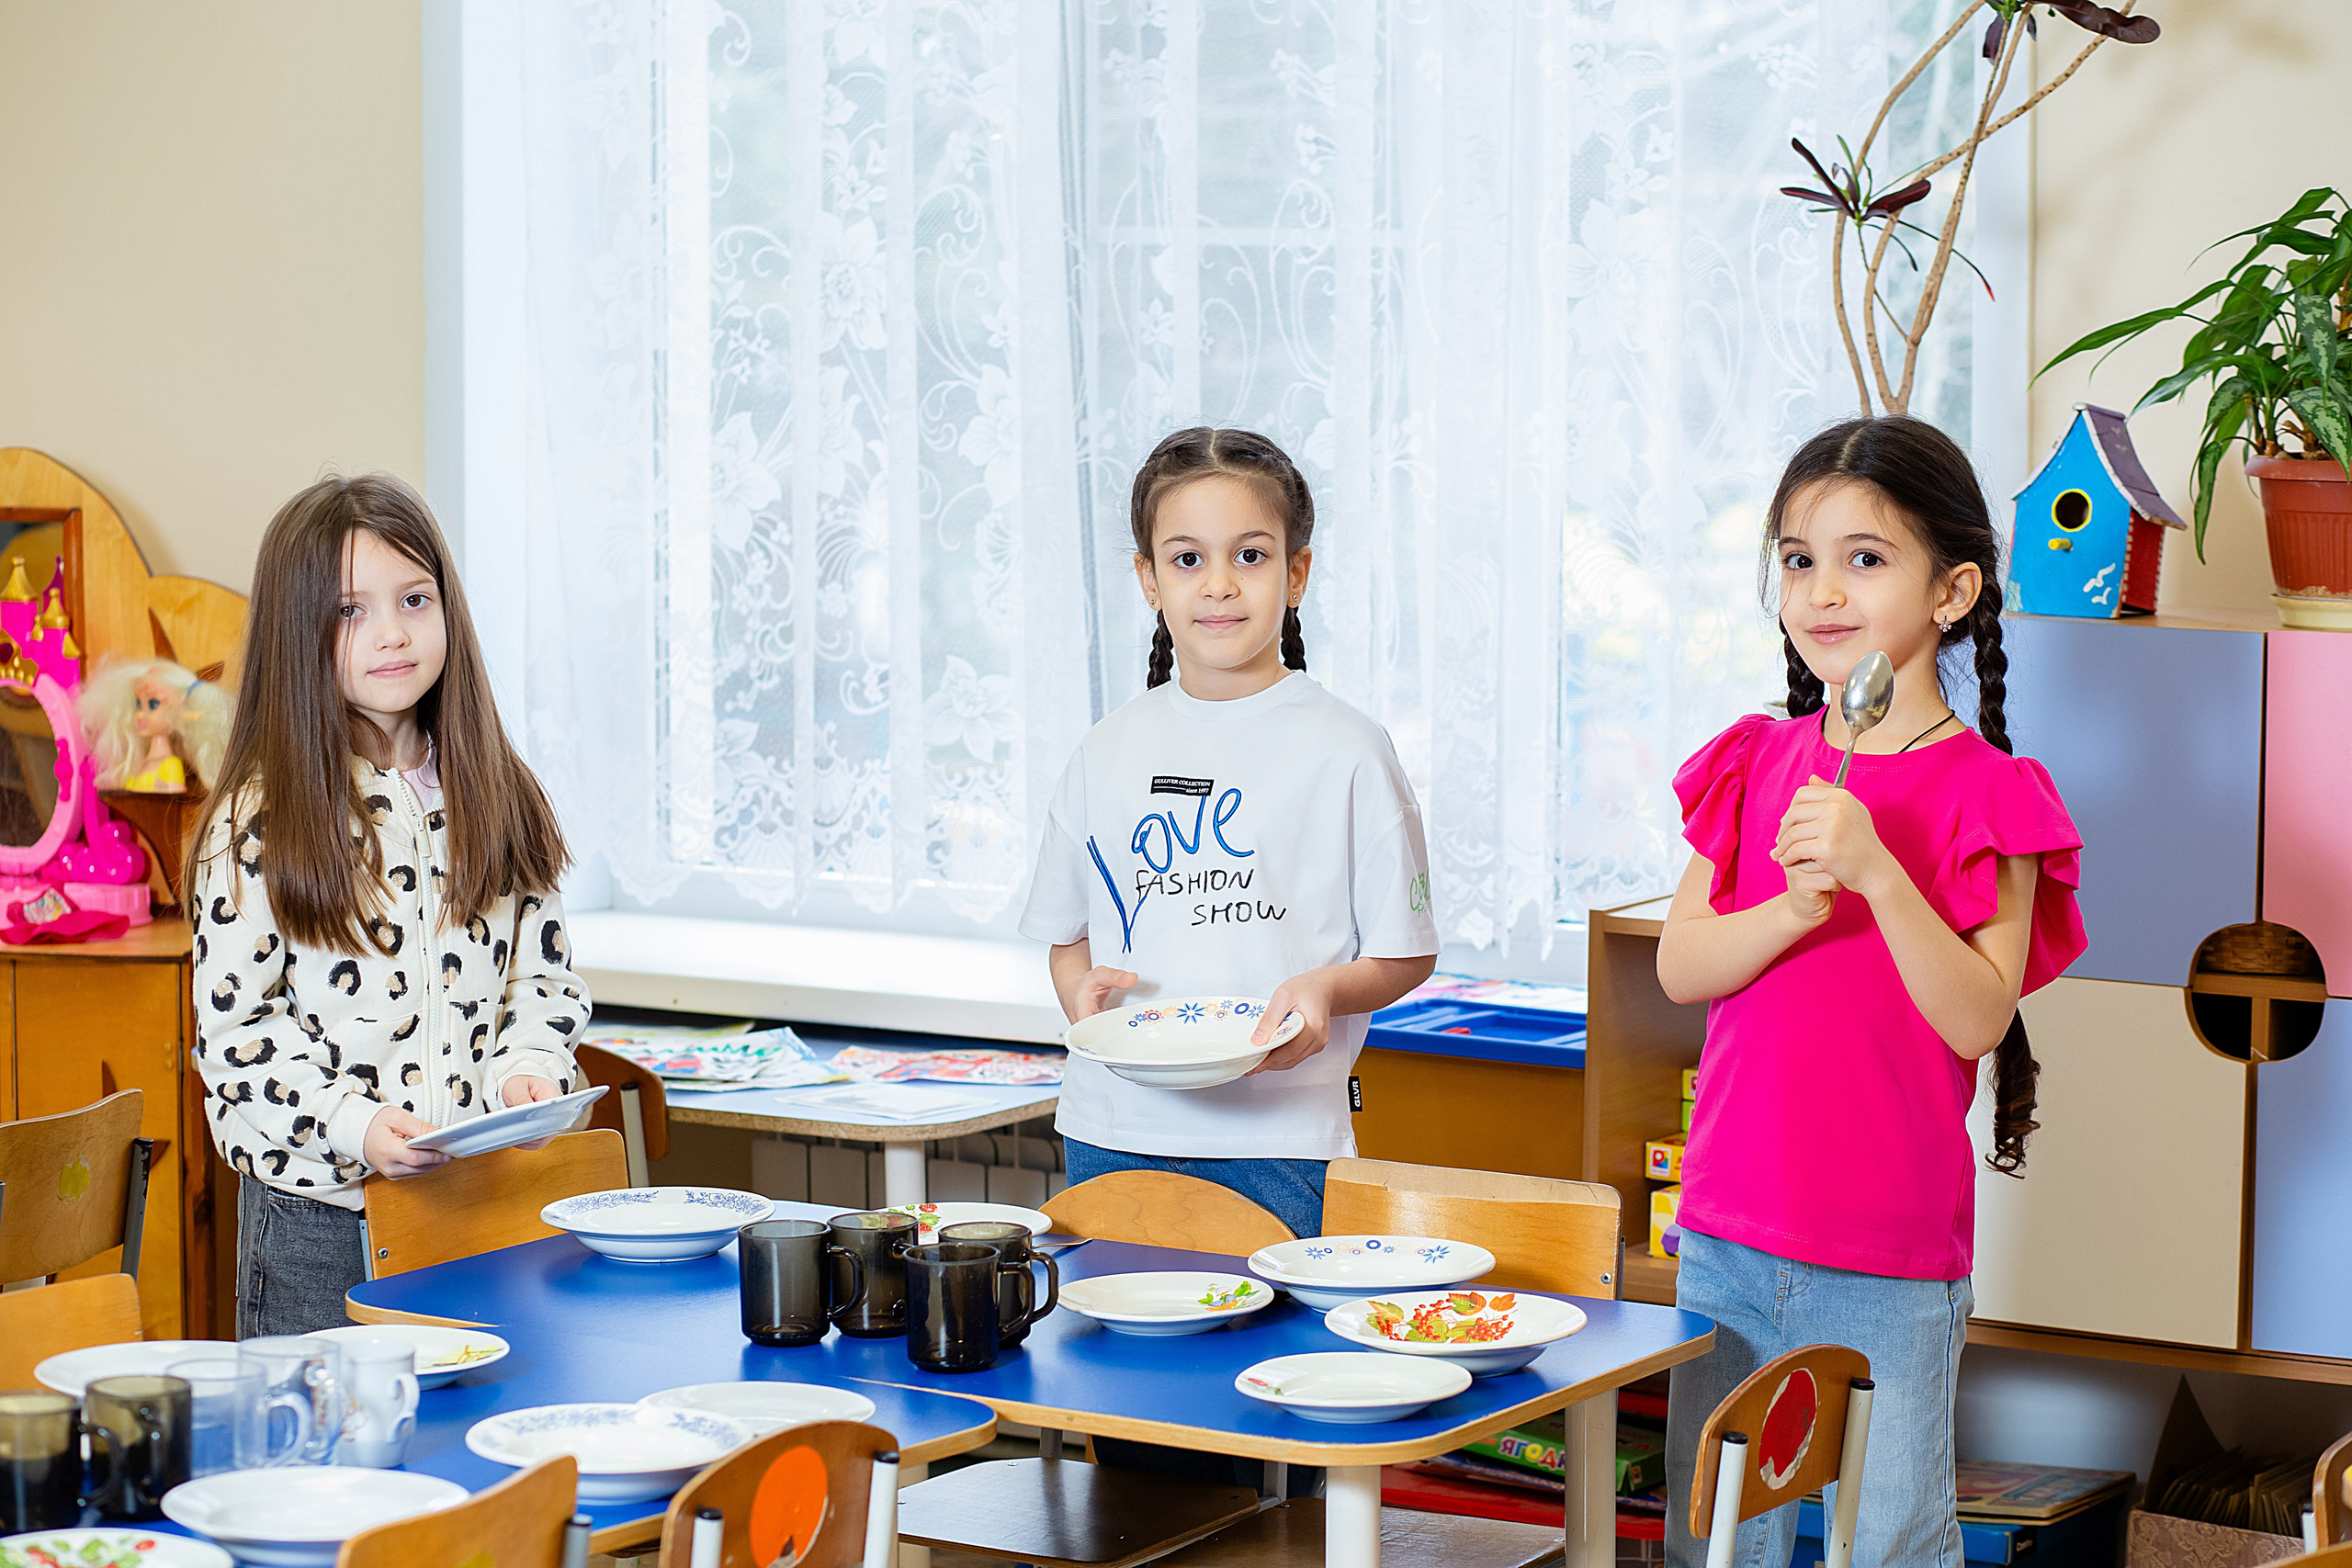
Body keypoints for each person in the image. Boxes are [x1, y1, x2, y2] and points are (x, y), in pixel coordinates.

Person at [1656, 415, 2086, 1567]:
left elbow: (1978, 1016)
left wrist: (1878, 875)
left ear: (1951, 592)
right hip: (1727, 1228)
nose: (1822, 592)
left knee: (1889, 1539)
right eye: (1799, 560)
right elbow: (1680, 966)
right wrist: (1789, 910)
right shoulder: (1757, 761)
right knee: (1715, 1539)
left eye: (1865, 558)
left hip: (1887, 1252)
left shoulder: (1991, 795)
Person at [187, 474, 589, 1337]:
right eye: (350, 611)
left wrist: (529, 1067)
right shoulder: (258, 820)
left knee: (475, 1420)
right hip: (318, 1224)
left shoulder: (498, 790)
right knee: (322, 1429)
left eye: (414, 599)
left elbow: (543, 978)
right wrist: (356, 1124)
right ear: (299, 632)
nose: (394, 633)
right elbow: (238, 1036)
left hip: (478, 1203)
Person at [1019, 426, 1439, 1243]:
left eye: (1250, 555)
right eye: (1187, 559)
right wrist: (1078, 995)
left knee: (1274, 1329)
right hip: (1113, 1129)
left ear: (1296, 572)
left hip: (1280, 1137)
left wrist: (1325, 990)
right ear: (1148, 579)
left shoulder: (1350, 749)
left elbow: (1406, 952)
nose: (1218, 583)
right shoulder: (1105, 751)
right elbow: (1066, 938)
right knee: (1113, 1323)